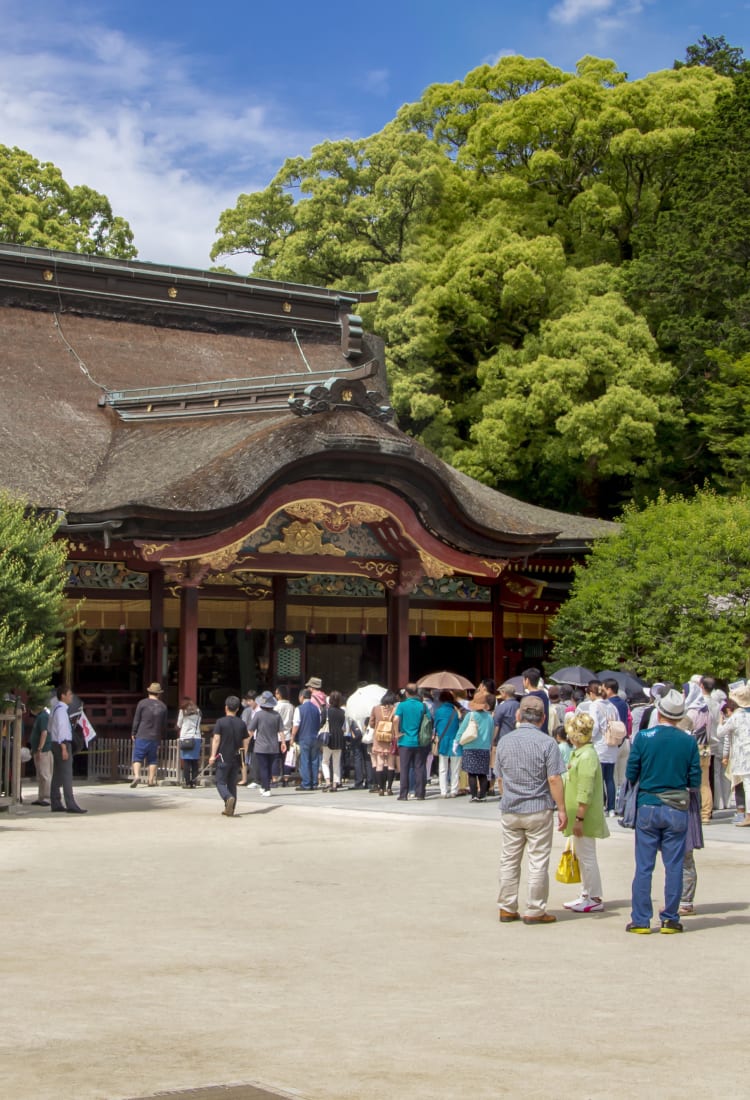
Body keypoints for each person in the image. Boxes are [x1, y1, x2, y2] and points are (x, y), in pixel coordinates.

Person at [625, 688, 702, 933]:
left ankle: (640, 920)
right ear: (679, 717)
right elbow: (695, 779)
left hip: (648, 804)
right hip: (676, 807)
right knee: (675, 864)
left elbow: (630, 773)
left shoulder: (644, 737)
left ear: (659, 713)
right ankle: (670, 917)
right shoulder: (688, 741)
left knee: (644, 866)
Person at [494, 695, 567, 925]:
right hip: (538, 807)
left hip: (511, 807)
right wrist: (562, 809)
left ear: (518, 715)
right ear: (543, 717)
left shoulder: (505, 741)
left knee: (509, 859)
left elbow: (500, 777)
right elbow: (554, 778)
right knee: (537, 860)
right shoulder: (547, 742)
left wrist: (507, 796)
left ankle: (506, 907)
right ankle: (534, 910)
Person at [561, 712, 608, 913]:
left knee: (587, 856)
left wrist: (579, 817)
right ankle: (586, 893)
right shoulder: (581, 752)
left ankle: (594, 896)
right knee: (582, 854)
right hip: (578, 813)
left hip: (584, 815)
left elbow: (585, 789)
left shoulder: (587, 755)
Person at [576, 680, 619, 816]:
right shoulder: (612, 706)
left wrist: (588, 738)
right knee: (609, 778)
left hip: (599, 744)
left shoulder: (595, 706)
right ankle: (611, 807)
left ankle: (601, 805)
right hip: (612, 744)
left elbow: (594, 726)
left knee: (598, 778)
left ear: (591, 693)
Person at [48, 684, 87, 814]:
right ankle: (70, 803)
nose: (71, 697)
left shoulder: (54, 709)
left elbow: (51, 728)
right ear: (63, 696)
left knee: (58, 773)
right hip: (62, 743)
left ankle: (56, 801)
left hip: (55, 743)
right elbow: (62, 730)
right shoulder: (61, 711)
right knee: (66, 774)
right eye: (69, 694)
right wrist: (64, 747)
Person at [208, 695, 248, 816]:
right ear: (237, 709)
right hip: (235, 757)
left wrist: (212, 756)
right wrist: (243, 758)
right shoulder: (241, 723)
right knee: (232, 783)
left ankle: (227, 797)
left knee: (220, 782)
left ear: (226, 707)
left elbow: (216, 739)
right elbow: (245, 741)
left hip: (223, 756)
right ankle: (231, 808)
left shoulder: (221, 722)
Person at [720, 683, 750, 828]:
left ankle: (748, 816)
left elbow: (721, 732)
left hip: (743, 757)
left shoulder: (736, 717)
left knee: (747, 785)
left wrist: (721, 722)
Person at [456, 692, 495, 802]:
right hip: (484, 748)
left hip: (470, 747)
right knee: (482, 773)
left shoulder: (470, 715)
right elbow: (492, 734)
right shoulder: (489, 717)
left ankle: (474, 796)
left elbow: (462, 730)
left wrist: (457, 741)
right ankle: (482, 795)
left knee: (471, 773)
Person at [685, 676, 712, 822]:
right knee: (705, 782)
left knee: (694, 781)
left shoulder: (691, 712)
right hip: (706, 747)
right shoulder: (705, 709)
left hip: (694, 749)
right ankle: (706, 813)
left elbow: (684, 730)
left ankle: (697, 810)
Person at [395, 683, 428, 801]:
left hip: (405, 741)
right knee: (419, 767)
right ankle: (420, 793)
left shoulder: (402, 705)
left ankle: (403, 794)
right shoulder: (423, 706)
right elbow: (429, 721)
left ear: (406, 693)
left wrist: (396, 733)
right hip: (419, 740)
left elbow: (395, 719)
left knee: (404, 768)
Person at [130, 682, 167, 788]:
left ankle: (137, 776)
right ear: (159, 694)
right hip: (155, 736)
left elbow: (137, 719)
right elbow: (163, 724)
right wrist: (161, 736)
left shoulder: (142, 703)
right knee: (153, 758)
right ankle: (150, 780)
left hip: (142, 734)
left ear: (149, 692)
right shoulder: (163, 706)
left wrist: (133, 732)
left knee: (137, 757)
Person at [248, 691, 284, 797]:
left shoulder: (258, 715)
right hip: (273, 746)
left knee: (263, 767)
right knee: (269, 767)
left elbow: (251, 730)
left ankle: (266, 788)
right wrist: (283, 742)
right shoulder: (277, 715)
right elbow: (281, 730)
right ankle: (264, 786)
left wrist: (244, 740)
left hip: (260, 746)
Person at [290, 688, 321, 791]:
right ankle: (315, 783)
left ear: (302, 697)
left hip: (304, 737)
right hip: (315, 737)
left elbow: (296, 724)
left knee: (305, 761)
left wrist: (292, 737)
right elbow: (320, 722)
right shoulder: (317, 708)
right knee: (315, 760)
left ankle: (306, 783)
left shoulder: (299, 709)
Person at [369, 690, 400, 796]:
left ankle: (381, 788)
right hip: (391, 739)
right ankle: (389, 788)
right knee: (391, 764)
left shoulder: (376, 708)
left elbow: (371, 723)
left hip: (378, 739)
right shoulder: (395, 709)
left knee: (379, 763)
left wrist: (378, 726)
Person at [434, 690, 461, 798]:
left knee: (443, 767)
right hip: (455, 741)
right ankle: (454, 790)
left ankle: (443, 791)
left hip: (443, 740)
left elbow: (435, 725)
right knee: (455, 768)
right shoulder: (456, 711)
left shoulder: (439, 711)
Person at [29, 694, 55, 806]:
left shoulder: (44, 716)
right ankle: (41, 797)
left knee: (45, 774)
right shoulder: (40, 716)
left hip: (44, 750)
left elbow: (44, 733)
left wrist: (39, 748)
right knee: (40, 775)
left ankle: (46, 797)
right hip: (38, 750)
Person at [321, 690, 347, 791]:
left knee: (325, 761)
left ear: (330, 700)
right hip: (339, 738)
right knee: (336, 762)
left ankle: (327, 782)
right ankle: (335, 783)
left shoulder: (326, 711)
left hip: (328, 738)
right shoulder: (342, 712)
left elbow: (321, 723)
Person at [176, 698, 202, 788]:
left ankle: (187, 782)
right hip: (196, 737)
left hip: (185, 738)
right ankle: (194, 782)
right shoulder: (198, 711)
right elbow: (199, 723)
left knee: (186, 761)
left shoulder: (182, 711)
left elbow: (179, 724)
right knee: (195, 761)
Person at [274, 686, 294, 786]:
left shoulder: (276, 707)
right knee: (286, 758)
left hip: (277, 735)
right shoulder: (291, 706)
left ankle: (275, 778)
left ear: (279, 694)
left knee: (275, 758)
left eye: (276, 693)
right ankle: (286, 779)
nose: (275, 695)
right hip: (288, 735)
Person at [521, 668, 549, 733]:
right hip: (543, 731)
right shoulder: (544, 694)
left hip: (530, 733)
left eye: (523, 680)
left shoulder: (527, 698)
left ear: (527, 680)